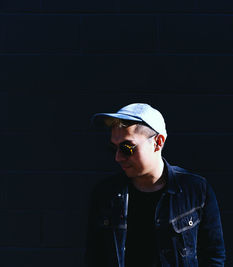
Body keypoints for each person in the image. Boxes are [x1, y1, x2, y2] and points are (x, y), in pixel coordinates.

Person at [85, 103, 225, 267]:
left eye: (126, 148)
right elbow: (94, 258)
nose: (118, 157)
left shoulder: (195, 190)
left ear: (158, 142)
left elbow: (213, 256)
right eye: (113, 148)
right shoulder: (105, 195)